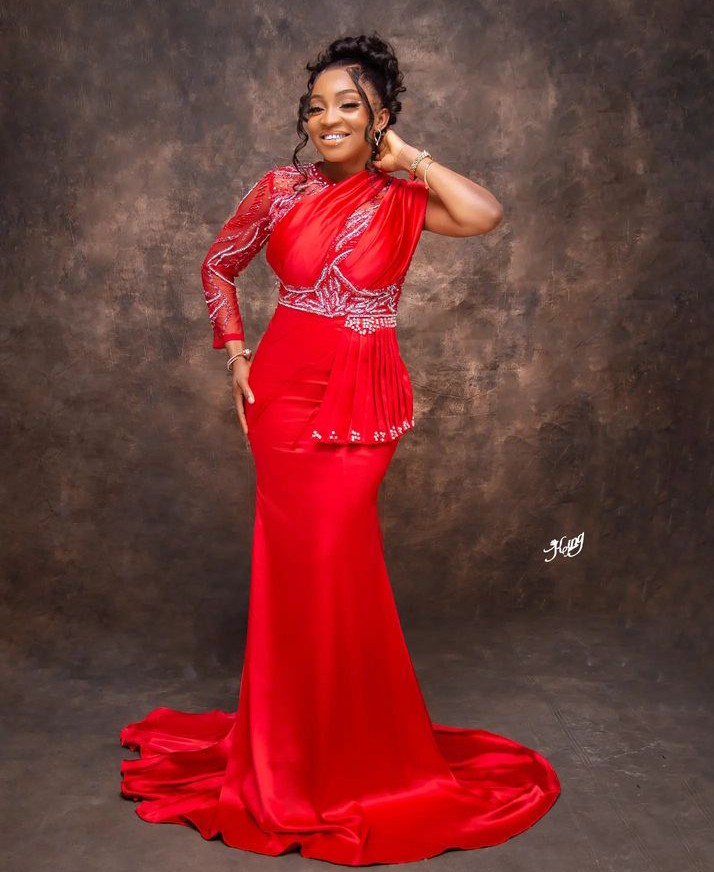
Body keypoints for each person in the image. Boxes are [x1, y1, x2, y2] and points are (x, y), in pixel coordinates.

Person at [119, 33, 561, 866]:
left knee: (338, 560)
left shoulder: (404, 196)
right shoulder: (280, 189)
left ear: (380, 116)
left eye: (349, 105)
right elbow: (218, 265)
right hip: (283, 394)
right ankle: (291, 753)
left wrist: (409, 156)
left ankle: (349, 750)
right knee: (297, 570)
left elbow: (485, 214)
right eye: (316, 107)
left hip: (361, 396)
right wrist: (236, 353)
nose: (328, 119)